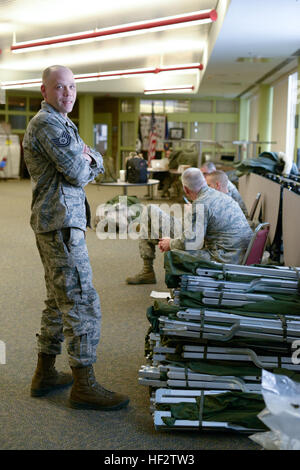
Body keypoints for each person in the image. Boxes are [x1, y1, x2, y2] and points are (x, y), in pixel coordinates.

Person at [23, 65, 129, 411]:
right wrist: (87, 158)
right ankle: (84, 384)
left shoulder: (62, 122)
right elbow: (80, 170)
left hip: (60, 220)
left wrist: (88, 157)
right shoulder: (47, 123)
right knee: (81, 299)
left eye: (71, 87)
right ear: (44, 90)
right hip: (60, 223)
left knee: (57, 298)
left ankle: (45, 373)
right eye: (59, 87)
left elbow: (93, 160)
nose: (67, 93)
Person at [126, 167, 253, 284]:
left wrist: (170, 244)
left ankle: (151, 272)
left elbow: (193, 242)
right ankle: (148, 269)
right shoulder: (220, 195)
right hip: (237, 254)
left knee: (172, 253)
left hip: (222, 258)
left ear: (186, 189)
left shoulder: (201, 203)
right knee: (150, 216)